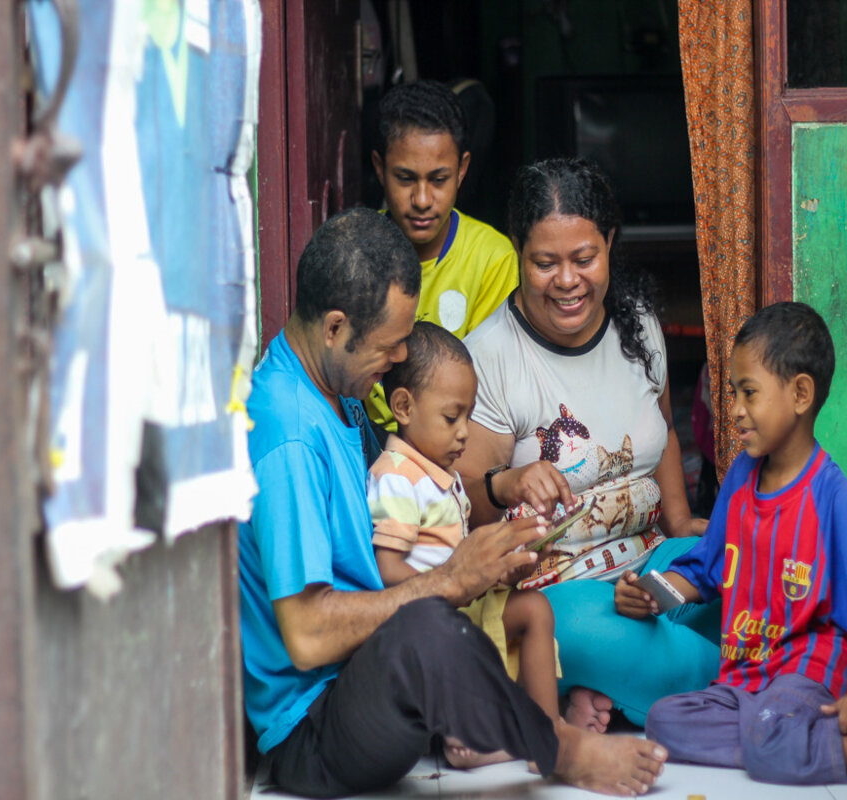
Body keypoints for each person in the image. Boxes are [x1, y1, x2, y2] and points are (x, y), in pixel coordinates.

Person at [238, 207, 669, 798]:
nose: (396, 362)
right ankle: (557, 747)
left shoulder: (337, 396)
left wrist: (494, 532)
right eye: (389, 348)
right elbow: (307, 635)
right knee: (428, 626)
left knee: (491, 604)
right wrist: (447, 580)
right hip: (315, 728)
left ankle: (518, 721)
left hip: (366, 675)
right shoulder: (287, 433)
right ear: (335, 328)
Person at [457, 157, 720, 734]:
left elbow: (662, 429)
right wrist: (508, 485)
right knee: (582, 634)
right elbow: (469, 508)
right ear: (518, 256)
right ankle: (738, 682)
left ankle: (608, 683)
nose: (568, 280)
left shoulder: (640, 324)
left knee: (748, 566)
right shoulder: (490, 358)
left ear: (610, 245)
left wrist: (679, 525)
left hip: (648, 563)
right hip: (559, 593)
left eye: (584, 258)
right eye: (545, 263)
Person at [622, 301, 847, 784]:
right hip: (747, 674)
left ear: (800, 394)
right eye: (732, 392)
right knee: (663, 722)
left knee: (774, 727)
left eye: (748, 393)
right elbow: (704, 571)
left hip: (806, 669)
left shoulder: (830, 494)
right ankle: (781, 743)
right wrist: (652, 595)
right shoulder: (739, 478)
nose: (732, 409)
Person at [367, 321, 562, 767]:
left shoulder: (442, 474)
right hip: (433, 615)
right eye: (451, 417)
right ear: (404, 406)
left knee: (535, 609)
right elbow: (386, 569)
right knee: (466, 637)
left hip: (465, 600)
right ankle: (467, 739)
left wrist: (509, 562)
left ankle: (547, 729)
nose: (464, 433)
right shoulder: (397, 476)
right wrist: (448, 585)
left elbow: (460, 547)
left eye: (468, 417)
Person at [365, 79, 519, 432]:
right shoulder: (356, 252)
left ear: (462, 169)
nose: (421, 199)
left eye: (439, 180)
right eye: (405, 179)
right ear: (379, 168)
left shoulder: (491, 260)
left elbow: (489, 391)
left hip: (458, 450)